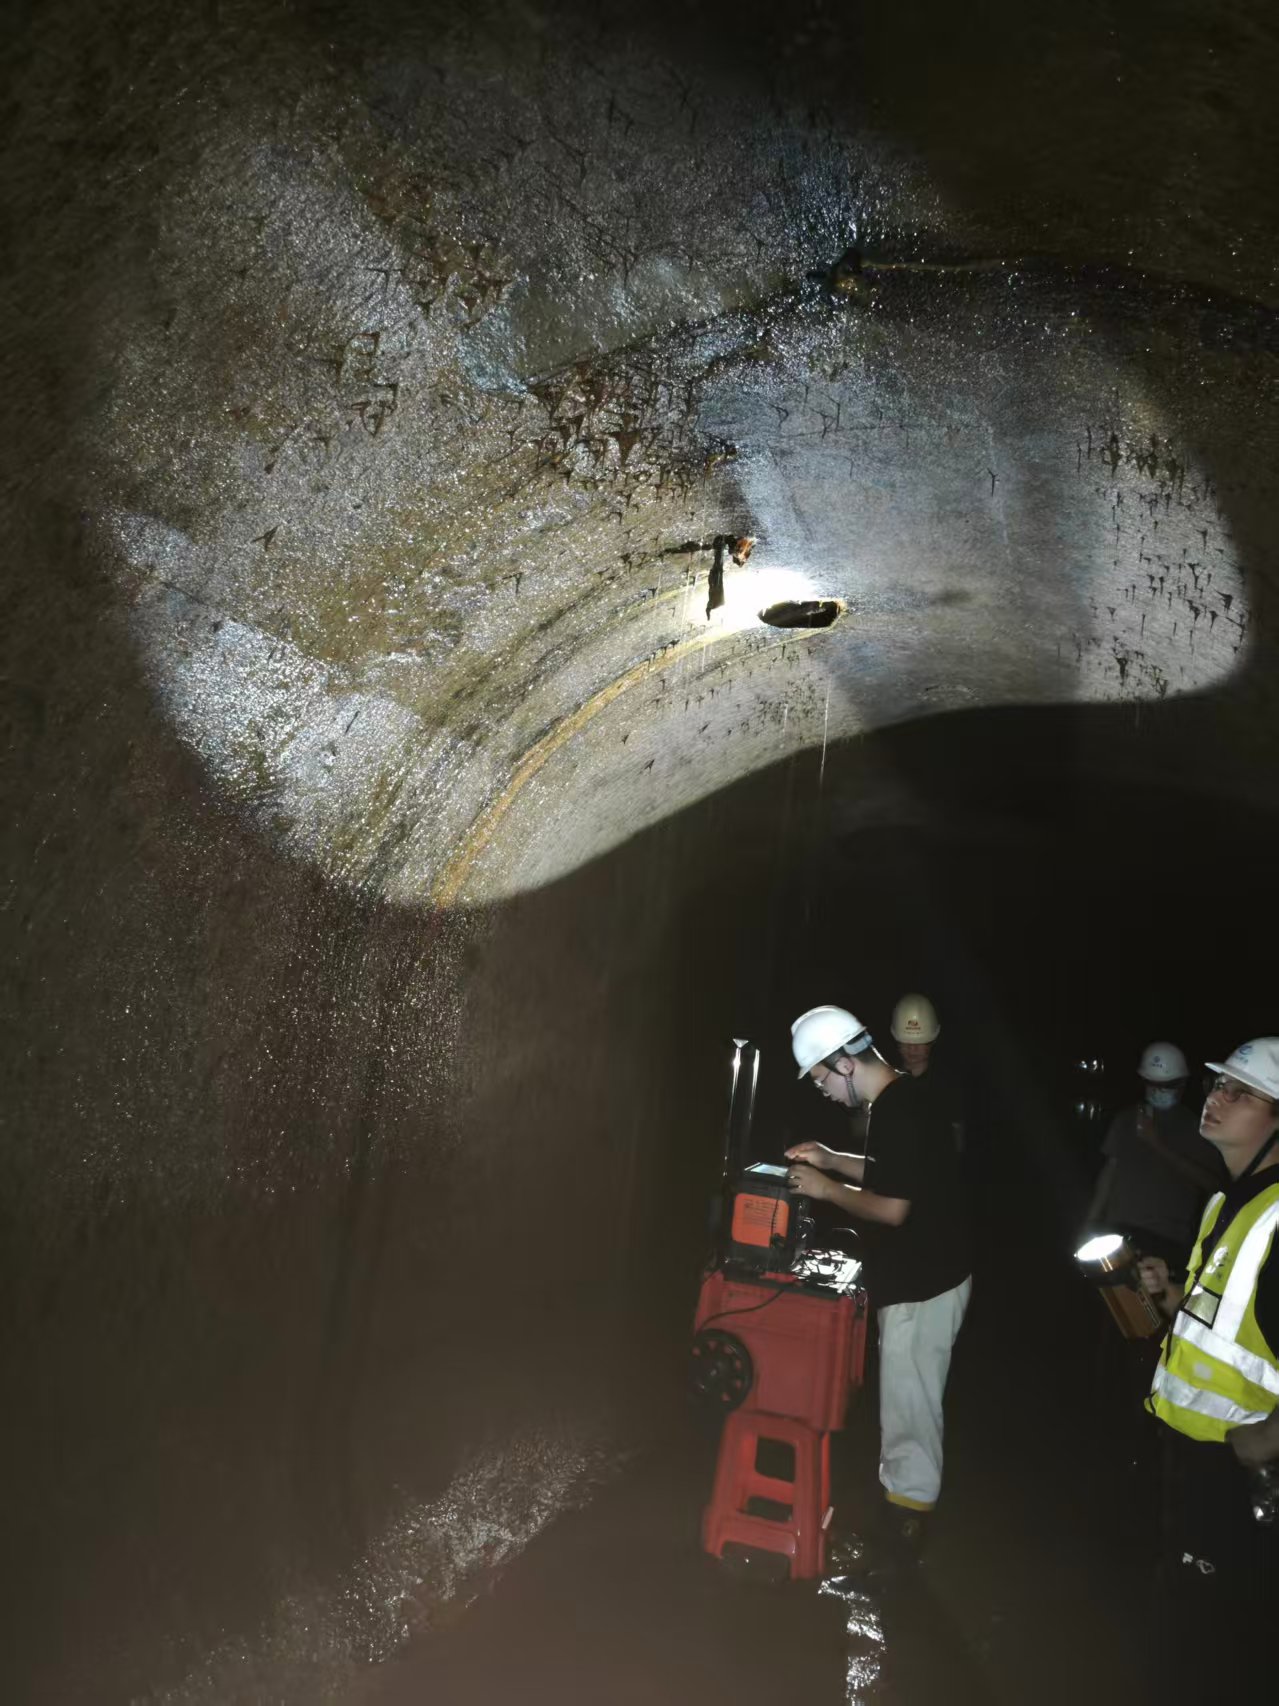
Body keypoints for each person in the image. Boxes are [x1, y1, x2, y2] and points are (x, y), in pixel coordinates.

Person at [785, 1004, 972, 1562]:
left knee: (910, 1414)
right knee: (905, 1406)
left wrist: (823, 1188)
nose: (821, 1090)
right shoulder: (903, 1102)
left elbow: (892, 1208)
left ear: (844, 1062)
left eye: (820, 1077)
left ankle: (901, 1540)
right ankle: (900, 1519)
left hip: (924, 1283)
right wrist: (831, 1158)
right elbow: (896, 1174)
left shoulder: (900, 1110)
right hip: (928, 1276)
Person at [1137, 1038, 1279, 1693]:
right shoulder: (1228, 1204)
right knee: (1180, 1624)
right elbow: (1224, 1329)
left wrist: (1265, 1441)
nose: (1215, 1098)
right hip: (1190, 1455)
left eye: (1239, 1092)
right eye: (1217, 1084)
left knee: (1210, 1651)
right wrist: (1167, 1296)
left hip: (1235, 1474)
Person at [1085, 1040, 1227, 1276]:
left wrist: (1157, 1144)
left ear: (1182, 1084)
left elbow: (1213, 1184)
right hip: (1114, 1235)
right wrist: (1090, 1222)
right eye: (1152, 1084)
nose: (1158, 1091)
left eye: (1167, 1085)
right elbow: (1109, 1173)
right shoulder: (1126, 1119)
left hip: (1165, 1242)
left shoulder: (1199, 1128)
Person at [890, 991, 965, 1153]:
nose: (912, 1049)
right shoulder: (886, 1084)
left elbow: (957, 1142)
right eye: (906, 1042)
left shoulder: (947, 1089)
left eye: (919, 1042)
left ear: (932, 1041)